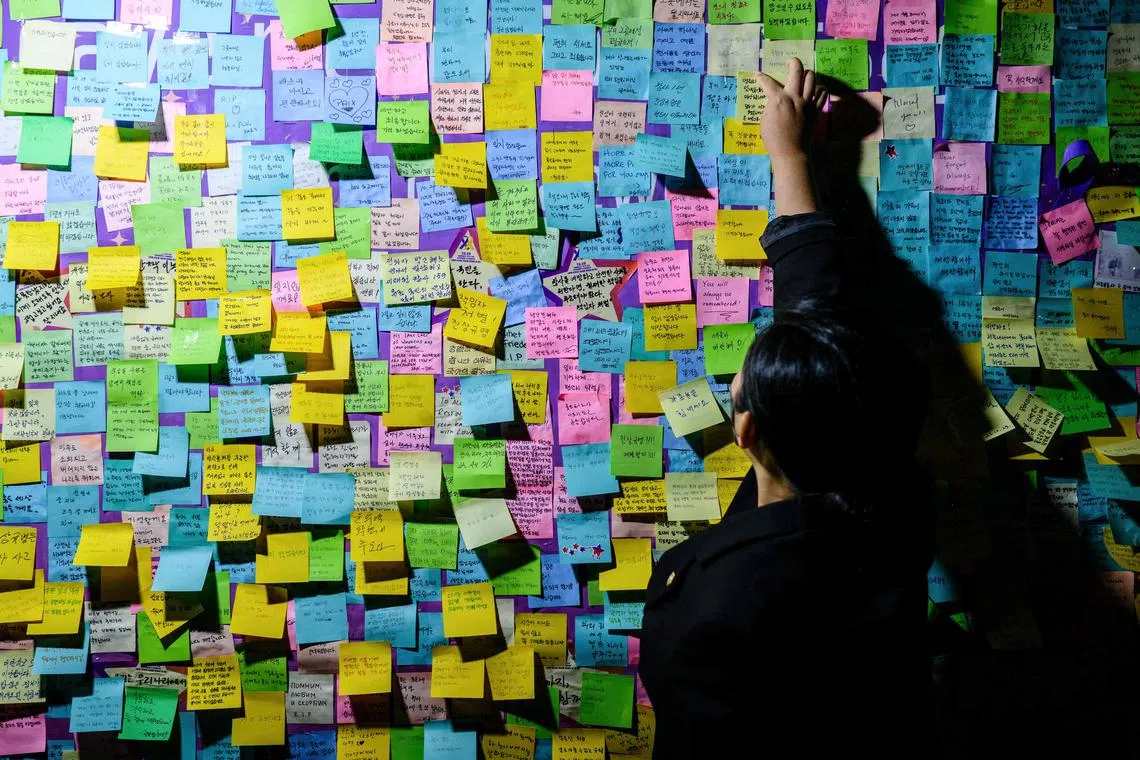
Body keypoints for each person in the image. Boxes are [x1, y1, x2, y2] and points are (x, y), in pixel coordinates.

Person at [637, 58, 934, 758]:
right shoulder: (892, 507)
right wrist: (790, 159)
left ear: (745, 430)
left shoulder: (713, 609)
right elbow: (821, 325)